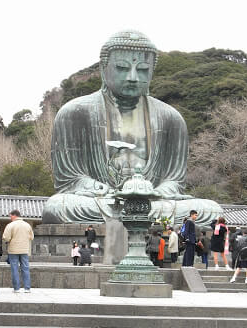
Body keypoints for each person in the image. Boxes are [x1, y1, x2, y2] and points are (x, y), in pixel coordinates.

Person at [42, 30, 222, 226]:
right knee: (58, 206)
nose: (133, 77)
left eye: (143, 69)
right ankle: (135, 216)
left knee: (210, 210)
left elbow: (174, 180)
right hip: (103, 199)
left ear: (152, 71)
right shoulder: (75, 112)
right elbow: (71, 179)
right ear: (104, 68)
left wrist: (157, 193)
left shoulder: (171, 118)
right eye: (122, 67)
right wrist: (105, 190)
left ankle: (135, 215)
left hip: (153, 202)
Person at [2, 209, 34, 293]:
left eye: (10, 216)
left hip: (13, 250)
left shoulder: (10, 225)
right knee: (25, 268)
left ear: (14, 215)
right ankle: (27, 288)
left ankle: (16, 288)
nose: (10, 218)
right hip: (24, 250)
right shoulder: (27, 225)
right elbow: (32, 237)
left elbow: (6, 237)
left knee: (14, 269)